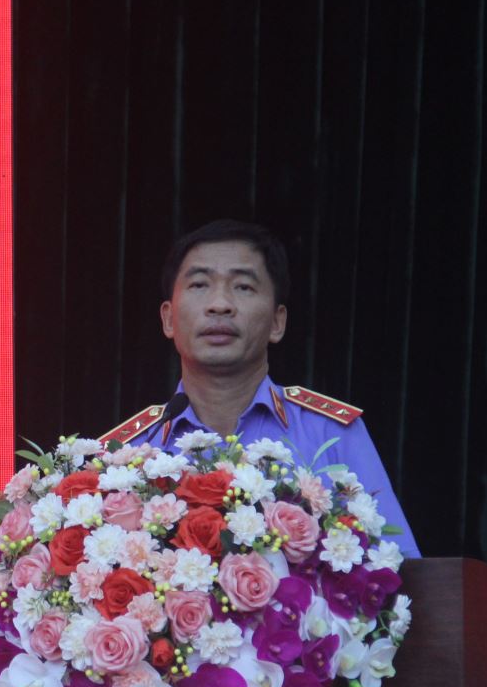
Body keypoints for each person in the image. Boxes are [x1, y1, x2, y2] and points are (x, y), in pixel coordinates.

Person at [102, 219, 420, 558]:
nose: (220, 304)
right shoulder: (125, 455)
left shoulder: (332, 433)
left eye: (243, 287)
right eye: (199, 285)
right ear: (168, 319)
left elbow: (398, 569)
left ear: (277, 322)